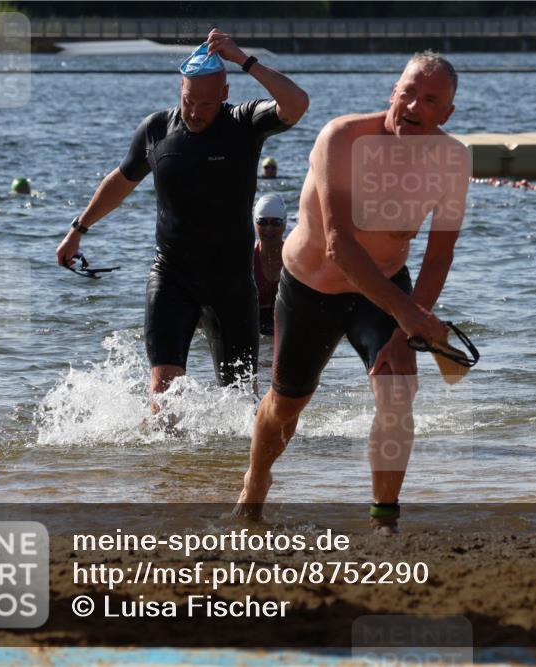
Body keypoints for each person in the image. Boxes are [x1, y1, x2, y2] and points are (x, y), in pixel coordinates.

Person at [234, 52, 470, 533]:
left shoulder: (452, 159)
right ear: (392, 93)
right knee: (286, 405)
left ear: (446, 113)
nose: (414, 105)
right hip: (311, 287)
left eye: (430, 100)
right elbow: (341, 245)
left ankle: (384, 518)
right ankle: (254, 487)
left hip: (384, 289)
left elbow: (439, 255)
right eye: (407, 92)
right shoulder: (343, 138)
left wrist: (408, 331)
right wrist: (411, 315)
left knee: (399, 390)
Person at [55, 29, 309, 411]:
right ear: (180, 90)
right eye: (189, 100)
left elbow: (297, 103)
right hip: (171, 277)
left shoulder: (243, 123)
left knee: (241, 402)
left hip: (231, 284)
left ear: (224, 94)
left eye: (206, 104)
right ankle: (167, 469)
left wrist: (244, 60)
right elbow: (121, 181)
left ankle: (234, 470)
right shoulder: (157, 129)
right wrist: (78, 229)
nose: (195, 112)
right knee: (164, 394)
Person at [252, 194, 287, 335]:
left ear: (284, 223)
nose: (269, 229)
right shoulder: (247, 259)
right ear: (255, 224)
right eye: (263, 222)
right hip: (256, 334)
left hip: (287, 333)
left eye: (276, 223)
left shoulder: (295, 258)